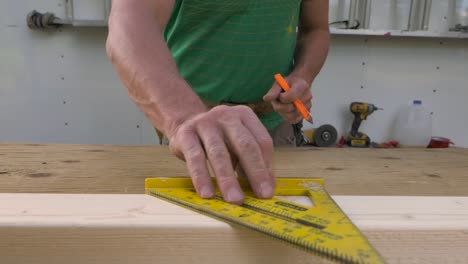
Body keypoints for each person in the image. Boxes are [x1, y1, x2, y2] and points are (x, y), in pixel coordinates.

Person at [106, 0, 330, 205]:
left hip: (273, 123)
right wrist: (185, 118)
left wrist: (302, 75)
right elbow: (129, 26)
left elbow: (316, 29)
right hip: (197, 126)